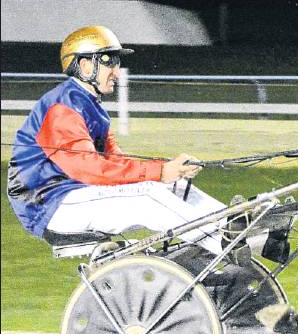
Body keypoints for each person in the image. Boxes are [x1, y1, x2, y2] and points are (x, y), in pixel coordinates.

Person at [6, 25, 229, 254]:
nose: (117, 71)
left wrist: (169, 170)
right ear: (85, 66)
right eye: (109, 62)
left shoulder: (90, 107)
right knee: (149, 196)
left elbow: (117, 164)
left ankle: (235, 227)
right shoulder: (62, 108)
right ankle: (224, 244)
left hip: (73, 197)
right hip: (50, 206)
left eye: (117, 62)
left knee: (173, 186)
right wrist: (160, 171)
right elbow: (91, 170)